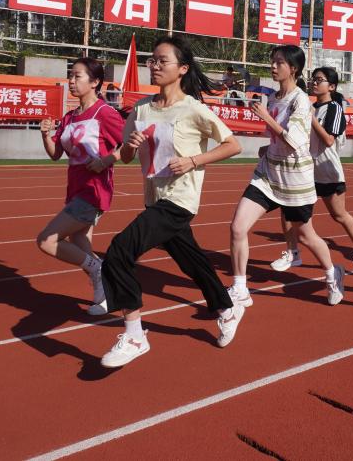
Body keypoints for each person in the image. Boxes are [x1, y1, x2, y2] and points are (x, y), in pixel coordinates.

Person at [96, 36, 246, 368]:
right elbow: (125, 155)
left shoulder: (193, 109)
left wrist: (194, 160)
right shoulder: (141, 108)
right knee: (192, 262)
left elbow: (233, 145)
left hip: (180, 199)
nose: (155, 65)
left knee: (120, 249)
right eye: (152, 60)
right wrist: (131, 145)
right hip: (155, 197)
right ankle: (227, 308)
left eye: (163, 60)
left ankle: (134, 334)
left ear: (182, 69)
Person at [227, 45, 346, 307]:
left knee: (305, 235)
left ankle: (332, 274)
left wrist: (266, 118)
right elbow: (278, 139)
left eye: (279, 62)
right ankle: (239, 288)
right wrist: (267, 147)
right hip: (268, 174)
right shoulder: (274, 98)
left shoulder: (300, 100)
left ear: (293, 69)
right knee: (237, 227)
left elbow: (293, 141)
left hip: (295, 179)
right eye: (272, 61)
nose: (273, 66)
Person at [37, 58, 125, 314]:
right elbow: (55, 154)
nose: (72, 81)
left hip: (93, 190)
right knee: (78, 241)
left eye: (78, 76)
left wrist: (106, 160)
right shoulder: (69, 117)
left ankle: (99, 268)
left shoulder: (104, 113)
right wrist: (45, 134)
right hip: (75, 189)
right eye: (71, 76)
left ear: (95, 82)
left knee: (46, 240)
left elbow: (131, 145)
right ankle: (106, 294)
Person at [270, 66, 353, 273]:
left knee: (338, 214)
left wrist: (312, 118)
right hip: (303, 169)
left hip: (327, 170)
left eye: (319, 80)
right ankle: (292, 252)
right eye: (313, 79)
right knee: (287, 210)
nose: (314, 83)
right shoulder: (306, 106)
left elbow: (328, 140)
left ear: (331, 86)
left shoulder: (334, 108)